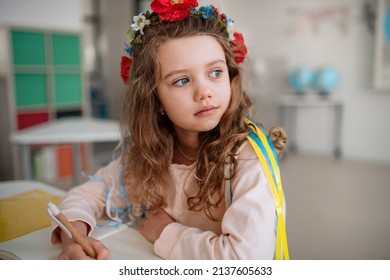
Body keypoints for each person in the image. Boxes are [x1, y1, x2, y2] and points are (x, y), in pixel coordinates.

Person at [50, 0, 289, 260]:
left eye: (216, 72)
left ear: (231, 78)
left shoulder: (246, 158)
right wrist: (75, 236)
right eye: (182, 80)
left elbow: (245, 260)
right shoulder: (148, 157)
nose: (204, 92)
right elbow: (85, 195)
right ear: (156, 100)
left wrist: (165, 231)